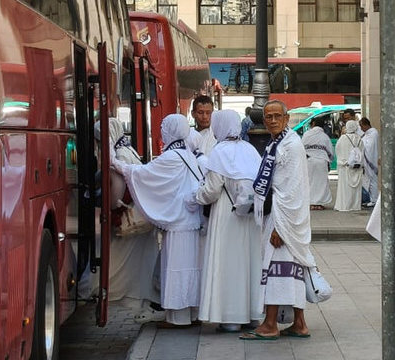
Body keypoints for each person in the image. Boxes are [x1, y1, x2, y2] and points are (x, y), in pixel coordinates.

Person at [114, 114, 205, 327]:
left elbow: (144, 174)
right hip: (191, 221)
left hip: (179, 224)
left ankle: (178, 319)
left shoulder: (172, 156)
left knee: (177, 270)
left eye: (164, 128)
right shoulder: (188, 154)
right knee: (190, 269)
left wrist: (119, 166)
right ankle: (191, 314)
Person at [240, 100, 316, 341]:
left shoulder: (290, 145)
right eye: (268, 117)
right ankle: (299, 323)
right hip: (280, 216)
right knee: (290, 271)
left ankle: (270, 324)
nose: (272, 120)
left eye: (276, 116)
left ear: (286, 118)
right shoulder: (279, 142)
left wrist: (281, 229)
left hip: (284, 219)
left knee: (275, 270)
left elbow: (293, 190)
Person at [84, 100, 162, 323]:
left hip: (128, 220)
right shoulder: (128, 151)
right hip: (137, 221)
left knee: (124, 266)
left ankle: (129, 298)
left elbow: (118, 190)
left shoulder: (121, 157)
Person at [194, 109, 264, 333]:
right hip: (251, 215)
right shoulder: (250, 149)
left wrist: (196, 196)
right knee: (250, 262)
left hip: (227, 214)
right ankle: (253, 314)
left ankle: (231, 317)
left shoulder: (218, 152)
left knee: (229, 264)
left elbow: (212, 190)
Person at [301, 118, 334, 209]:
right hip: (321, 162)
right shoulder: (325, 136)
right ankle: (319, 203)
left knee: (310, 182)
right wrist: (328, 160)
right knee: (321, 183)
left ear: (313, 124)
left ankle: (311, 203)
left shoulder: (306, 134)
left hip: (309, 161)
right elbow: (330, 152)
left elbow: (301, 148)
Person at [334, 120, 364, 211]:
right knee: (356, 191)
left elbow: (337, 150)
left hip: (345, 166)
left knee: (344, 189)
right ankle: (355, 206)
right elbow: (362, 152)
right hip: (357, 167)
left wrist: (342, 160)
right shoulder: (360, 139)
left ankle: (344, 206)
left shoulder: (343, 138)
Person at [360, 117, 379, 207]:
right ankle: (371, 198)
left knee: (373, 180)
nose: (361, 128)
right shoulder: (367, 134)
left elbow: (370, 147)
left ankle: (374, 199)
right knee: (369, 181)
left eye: (361, 126)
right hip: (366, 161)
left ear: (366, 125)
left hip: (371, 161)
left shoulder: (373, 133)